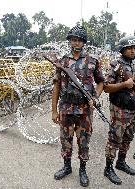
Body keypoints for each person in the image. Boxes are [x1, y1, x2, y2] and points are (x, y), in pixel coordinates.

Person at [52, 25, 104, 187]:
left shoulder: (93, 61)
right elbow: (56, 86)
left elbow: (101, 82)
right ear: (69, 41)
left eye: (79, 40)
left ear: (84, 42)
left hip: (84, 110)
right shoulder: (62, 61)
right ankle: (67, 167)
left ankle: (82, 169)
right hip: (66, 108)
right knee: (65, 139)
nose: (76, 42)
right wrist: (54, 111)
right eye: (73, 39)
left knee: (84, 141)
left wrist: (94, 97)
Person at [103, 36, 135, 185]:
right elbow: (106, 87)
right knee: (115, 139)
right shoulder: (115, 64)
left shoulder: (134, 65)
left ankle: (121, 162)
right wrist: (124, 84)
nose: (133, 51)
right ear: (123, 49)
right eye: (129, 48)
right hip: (119, 109)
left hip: (132, 108)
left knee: (128, 137)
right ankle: (108, 168)